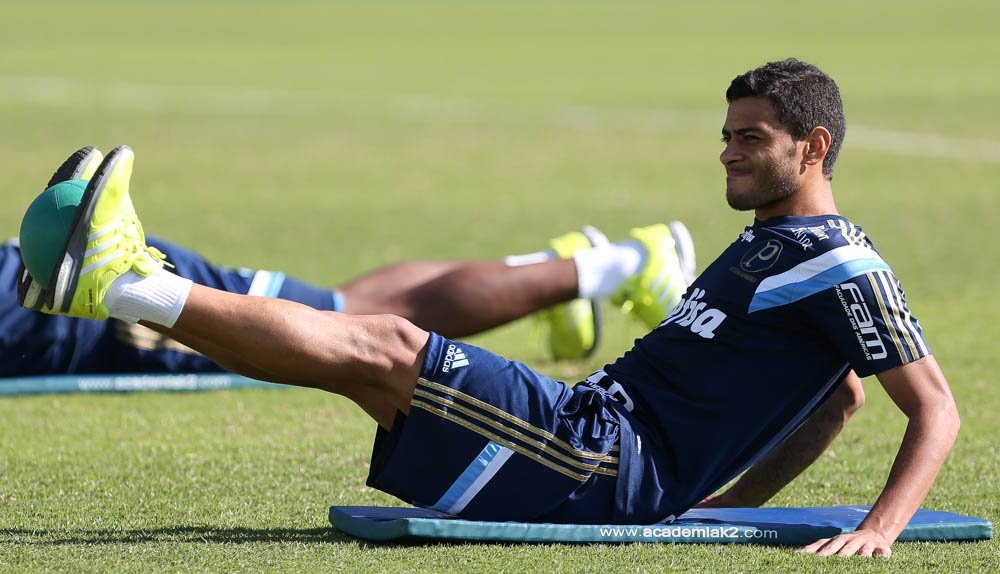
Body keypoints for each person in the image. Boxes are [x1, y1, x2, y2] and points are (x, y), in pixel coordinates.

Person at [18, 59, 960, 558]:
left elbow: (934, 408)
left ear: (815, 145)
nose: (727, 154)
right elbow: (839, 400)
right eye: (725, 137)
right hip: (596, 438)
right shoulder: (770, 243)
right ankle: (117, 282)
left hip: (600, 460)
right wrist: (724, 507)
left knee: (382, 345)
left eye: (751, 140)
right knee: (361, 353)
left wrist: (880, 527)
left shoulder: (843, 262)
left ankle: (123, 282)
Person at [3, 147, 695, 377]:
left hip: (89, 294)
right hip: (44, 283)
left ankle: (619, 264)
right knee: (343, 305)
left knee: (344, 325)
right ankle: (559, 268)